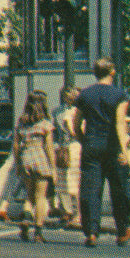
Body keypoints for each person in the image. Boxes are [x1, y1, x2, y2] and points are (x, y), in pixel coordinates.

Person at [73, 57, 130, 247]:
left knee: (90, 189)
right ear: (112, 72)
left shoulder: (84, 95)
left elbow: (76, 124)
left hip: (91, 145)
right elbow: (119, 123)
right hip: (112, 146)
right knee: (119, 188)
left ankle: (91, 232)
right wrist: (124, 150)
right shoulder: (119, 95)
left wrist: (84, 141)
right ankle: (123, 229)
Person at [13, 90, 55, 243]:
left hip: (26, 158)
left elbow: (16, 145)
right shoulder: (45, 124)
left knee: (29, 194)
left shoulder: (22, 122)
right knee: (40, 197)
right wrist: (53, 168)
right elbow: (49, 148)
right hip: (40, 158)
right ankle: (38, 232)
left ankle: (25, 217)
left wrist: (18, 164)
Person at [51, 86, 82, 228]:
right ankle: (66, 211)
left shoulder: (81, 112)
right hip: (62, 147)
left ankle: (77, 213)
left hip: (75, 147)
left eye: (71, 94)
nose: (69, 97)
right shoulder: (57, 112)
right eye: (66, 94)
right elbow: (55, 132)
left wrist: (71, 128)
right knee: (61, 180)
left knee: (74, 180)